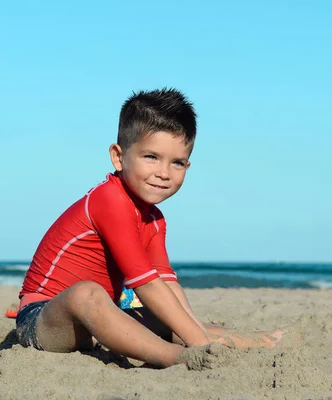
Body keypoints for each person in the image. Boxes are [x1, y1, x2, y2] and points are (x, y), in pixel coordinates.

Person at [16, 88, 284, 368]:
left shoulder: (154, 219)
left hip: (96, 320)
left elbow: (167, 284)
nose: (164, 173)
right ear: (119, 157)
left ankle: (253, 341)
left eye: (177, 162)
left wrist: (193, 332)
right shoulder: (109, 200)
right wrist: (197, 344)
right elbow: (144, 283)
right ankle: (176, 357)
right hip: (42, 319)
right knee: (88, 292)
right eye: (151, 157)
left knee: (170, 318)